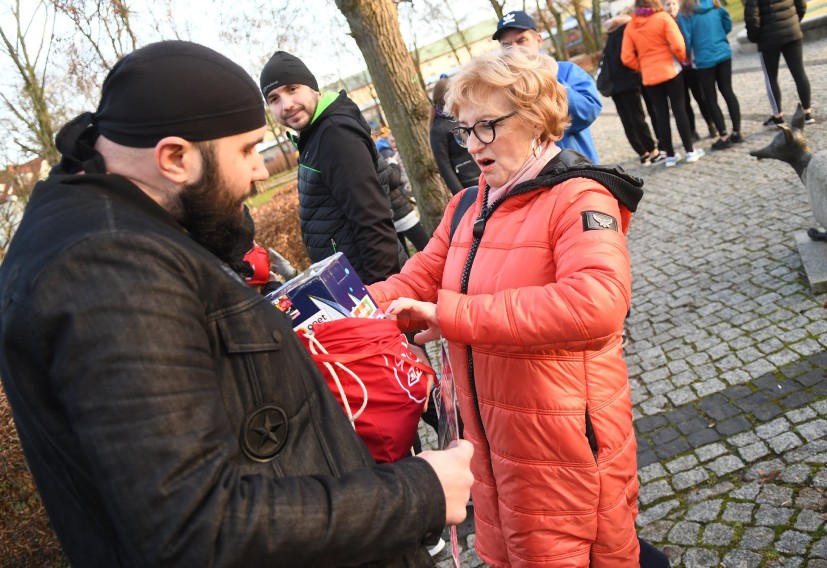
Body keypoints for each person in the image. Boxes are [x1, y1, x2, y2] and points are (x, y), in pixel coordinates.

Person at [0, 40, 474, 567]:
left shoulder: (118, 236)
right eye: (248, 150)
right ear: (175, 158)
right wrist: (418, 493)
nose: (259, 172)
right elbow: (199, 524)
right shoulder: (107, 274)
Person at [368, 48, 647, 567]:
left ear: (537, 119)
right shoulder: (467, 205)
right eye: (464, 130)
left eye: (487, 127)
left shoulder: (579, 198)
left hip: (564, 451)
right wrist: (347, 313)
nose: (472, 146)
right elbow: (418, 279)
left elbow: (600, 302)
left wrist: (453, 317)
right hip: (491, 450)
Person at [260, 51, 406, 284]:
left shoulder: (334, 135)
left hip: (371, 284)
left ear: (313, 89)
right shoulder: (316, 135)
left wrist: (381, 295)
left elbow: (372, 219)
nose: (286, 105)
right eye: (274, 99)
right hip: (352, 279)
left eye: (292, 89)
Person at [493, 10, 602, 163]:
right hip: (532, 176)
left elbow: (588, 112)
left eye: (521, 40)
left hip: (577, 168)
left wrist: (551, 83)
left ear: (538, 40)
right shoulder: (502, 87)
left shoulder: (565, 71)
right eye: (507, 45)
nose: (514, 50)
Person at [622, 0, 705, 167]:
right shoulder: (663, 18)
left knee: (661, 115)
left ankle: (670, 156)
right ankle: (690, 151)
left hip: (650, 76)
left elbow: (627, 57)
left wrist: (642, 66)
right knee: (679, 110)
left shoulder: (631, 26)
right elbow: (678, 44)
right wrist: (681, 59)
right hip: (671, 70)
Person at [678, 0, 744, 150]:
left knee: (710, 98)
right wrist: (720, 36)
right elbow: (727, 23)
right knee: (728, 91)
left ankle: (723, 135)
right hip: (722, 52)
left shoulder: (686, 12)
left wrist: (688, 55)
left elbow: (686, 39)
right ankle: (737, 131)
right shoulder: (715, 4)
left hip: (703, 59)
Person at [601, 10, 664, 166]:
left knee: (627, 120)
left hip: (615, 85)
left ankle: (642, 153)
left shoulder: (611, 37)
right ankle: (653, 151)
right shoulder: (627, 32)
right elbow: (629, 56)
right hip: (628, 81)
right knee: (637, 118)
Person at [745, 0, 814, 126]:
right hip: (792, 32)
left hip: (768, 38)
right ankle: (807, 112)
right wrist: (793, 22)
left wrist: (754, 37)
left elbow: (752, 17)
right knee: (799, 72)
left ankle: (778, 116)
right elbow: (801, 5)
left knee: (770, 77)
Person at [664, 0, 718, 143]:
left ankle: (711, 124)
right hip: (676, 69)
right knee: (684, 102)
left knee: (701, 97)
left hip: (691, 66)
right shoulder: (663, 23)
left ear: (679, 5)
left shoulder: (686, 17)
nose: (671, 7)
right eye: (667, 4)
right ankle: (692, 130)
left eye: (673, 4)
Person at [376, 136, 431, 252]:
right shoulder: (377, 156)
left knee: (403, 256)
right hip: (400, 211)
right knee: (426, 247)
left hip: (387, 214)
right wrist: (393, 163)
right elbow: (394, 180)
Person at [429, 78, 481, 194]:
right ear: (444, 98)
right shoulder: (437, 130)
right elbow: (444, 166)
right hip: (468, 183)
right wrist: (461, 195)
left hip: (483, 175)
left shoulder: (462, 118)